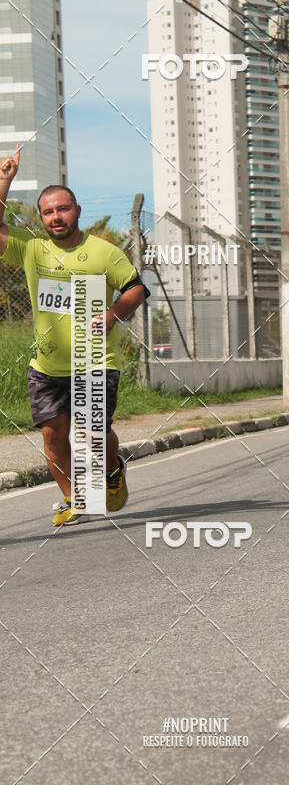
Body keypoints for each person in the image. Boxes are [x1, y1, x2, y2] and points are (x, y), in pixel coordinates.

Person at [0, 147, 149, 525]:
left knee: (89, 438)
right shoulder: (32, 249)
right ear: (43, 217)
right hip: (46, 365)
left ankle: (112, 469)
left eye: (62, 209)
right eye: (48, 212)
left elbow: (136, 289)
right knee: (53, 436)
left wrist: (114, 314)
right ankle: (75, 499)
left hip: (94, 362)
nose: (55, 217)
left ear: (77, 211)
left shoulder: (104, 252)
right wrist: (4, 181)